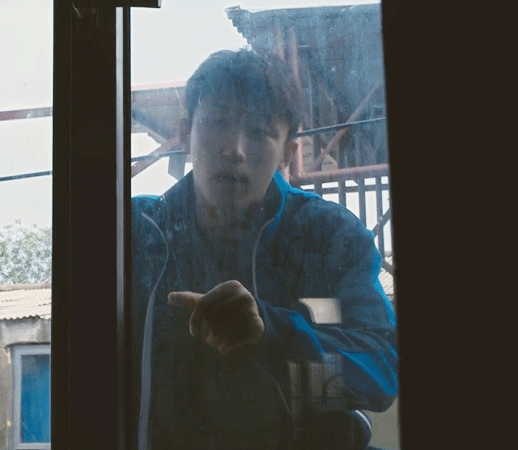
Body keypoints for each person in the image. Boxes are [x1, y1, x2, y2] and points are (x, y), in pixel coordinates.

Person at [131, 49, 398, 450]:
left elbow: (382, 372)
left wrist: (272, 332)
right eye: (218, 123)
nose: (235, 149)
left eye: (259, 132)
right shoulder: (134, 230)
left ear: (289, 152)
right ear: (186, 133)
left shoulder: (329, 234)